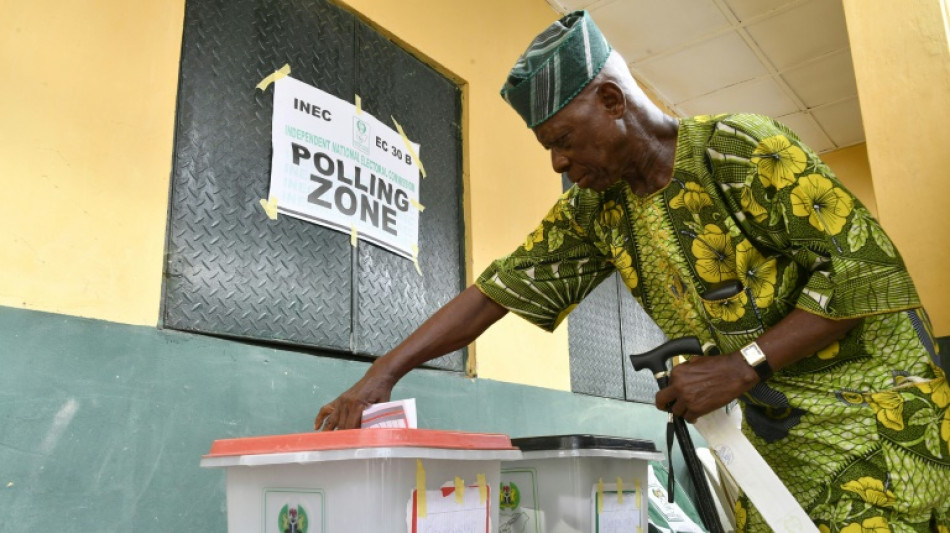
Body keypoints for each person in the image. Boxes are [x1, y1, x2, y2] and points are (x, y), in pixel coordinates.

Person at [315, 11, 950, 532]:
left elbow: (861, 274)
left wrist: (740, 365)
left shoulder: (742, 149)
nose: (560, 164)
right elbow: (499, 289)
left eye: (564, 139)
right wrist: (380, 376)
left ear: (612, 100)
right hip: (774, 450)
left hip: (878, 425)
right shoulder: (598, 211)